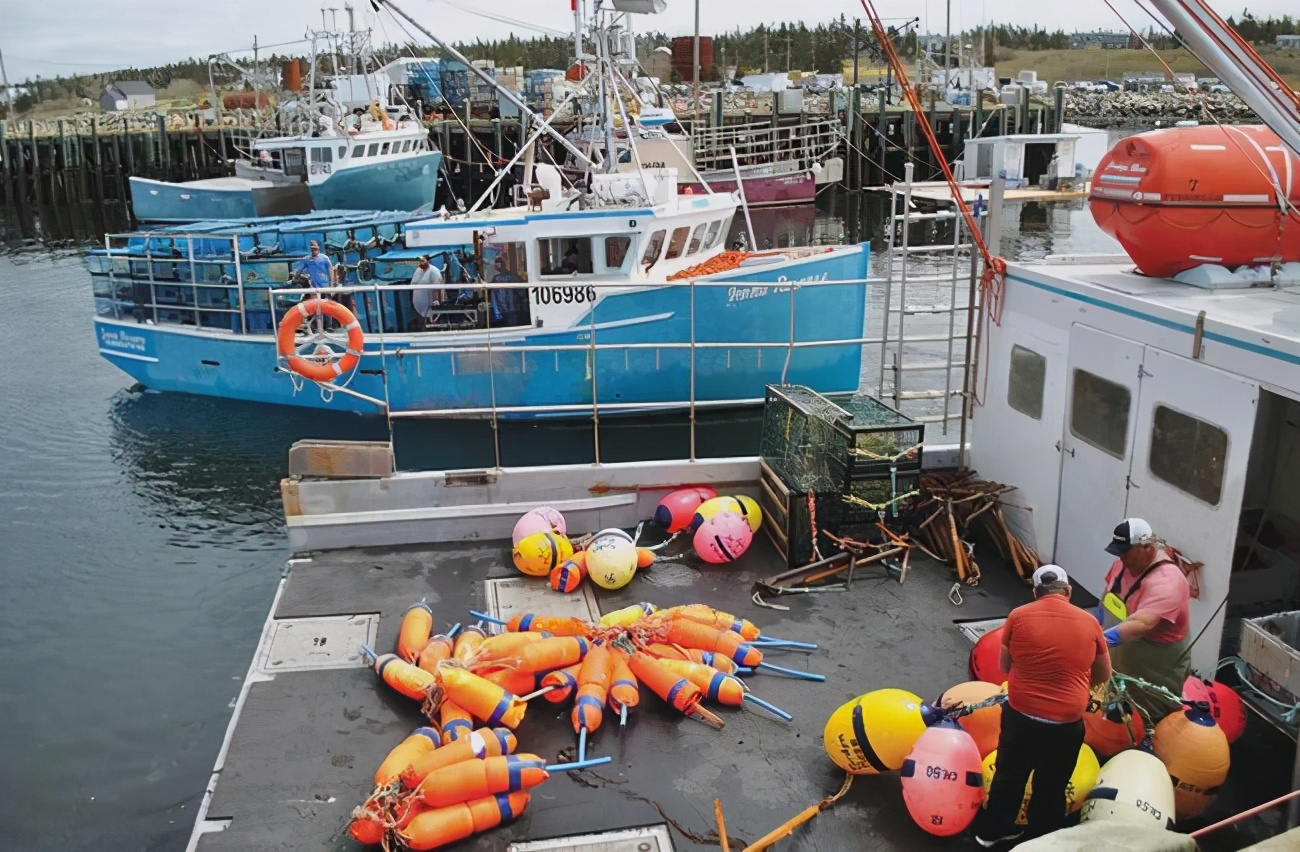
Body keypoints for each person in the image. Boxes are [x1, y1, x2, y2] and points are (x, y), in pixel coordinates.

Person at [971, 566, 1111, 848]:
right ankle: (1041, 840)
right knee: (1052, 784)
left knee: (1009, 776)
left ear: (1036, 592)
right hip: (1065, 725)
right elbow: (1103, 674)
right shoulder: (1090, 623)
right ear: (1068, 590)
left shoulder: (1018, 616)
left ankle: (991, 834)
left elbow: (1004, 666)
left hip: (1021, 717)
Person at [1098, 518, 1192, 724]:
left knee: (1149, 711)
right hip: (1119, 651)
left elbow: (1142, 624)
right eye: (1119, 553)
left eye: (1126, 553)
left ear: (1147, 548)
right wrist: (1096, 624)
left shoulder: (1168, 581)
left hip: (1154, 663)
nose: (1121, 558)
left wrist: (1098, 642)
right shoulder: (1123, 563)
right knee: (1116, 699)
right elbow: (1108, 593)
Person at [409, 255, 444, 328]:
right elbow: (413, 284)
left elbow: (437, 287)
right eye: (420, 261)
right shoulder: (418, 270)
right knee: (421, 323)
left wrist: (436, 301)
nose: (421, 263)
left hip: (430, 305)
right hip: (418, 306)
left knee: (432, 325)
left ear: (428, 261)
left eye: (423, 261)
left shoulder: (434, 271)